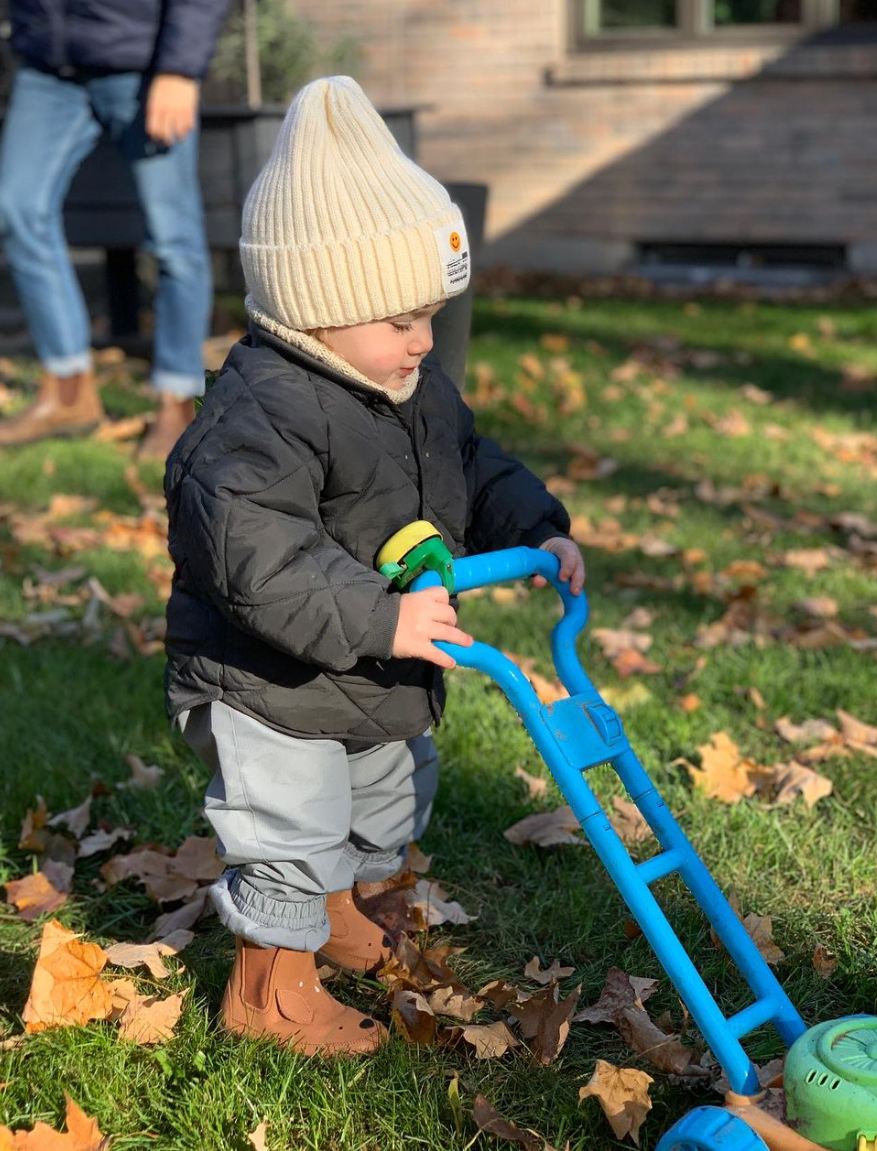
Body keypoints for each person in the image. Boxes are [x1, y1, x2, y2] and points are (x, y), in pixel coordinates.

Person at [164, 76, 585, 1056]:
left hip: (371, 672)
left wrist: (539, 525)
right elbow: (254, 556)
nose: (423, 338)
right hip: (266, 684)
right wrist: (378, 616)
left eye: (431, 312)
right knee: (293, 833)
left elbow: (472, 468)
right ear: (318, 305)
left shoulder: (410, 386)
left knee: (388, 798)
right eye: (398, 318)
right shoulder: (256, 418)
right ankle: (267, 993)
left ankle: (345, 916)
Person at [0, 0, 231, 457]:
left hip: (144, 64)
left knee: (172, 237)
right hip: (48, 64)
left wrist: (180, 69)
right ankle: (68, 389)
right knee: (17, 208)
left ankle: (176, 401)